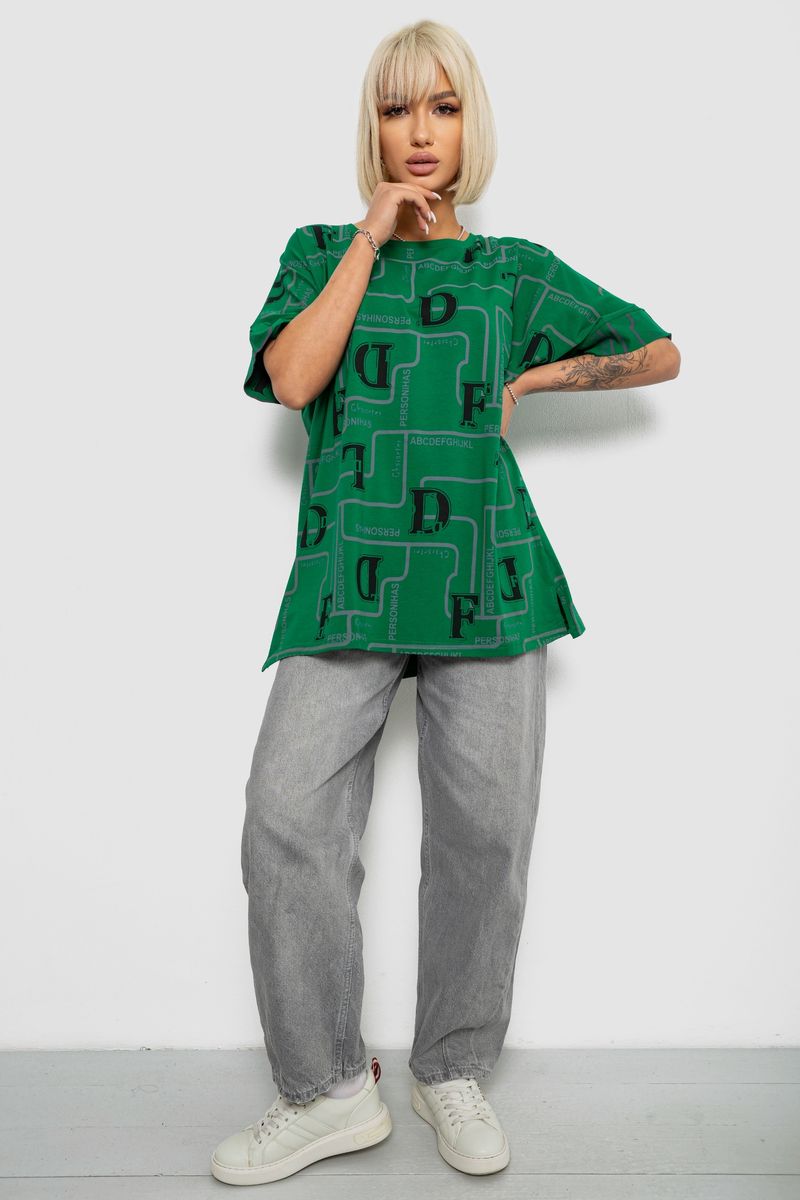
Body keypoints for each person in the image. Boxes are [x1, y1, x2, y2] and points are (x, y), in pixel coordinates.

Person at [211, 18, 679, 1188]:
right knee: (283, 819)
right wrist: (371, 233)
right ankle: (327, 1091)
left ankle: (450, 1067)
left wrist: (537, 374)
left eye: (442, 106)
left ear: (470, 124)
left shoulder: (509, 270)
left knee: (483, 839)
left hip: (486, 573)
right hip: (348, 578)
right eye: (395, 109)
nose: (418, 132)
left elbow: (657, 350)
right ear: (370, 128)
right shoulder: (318, 251)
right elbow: (294, 378)